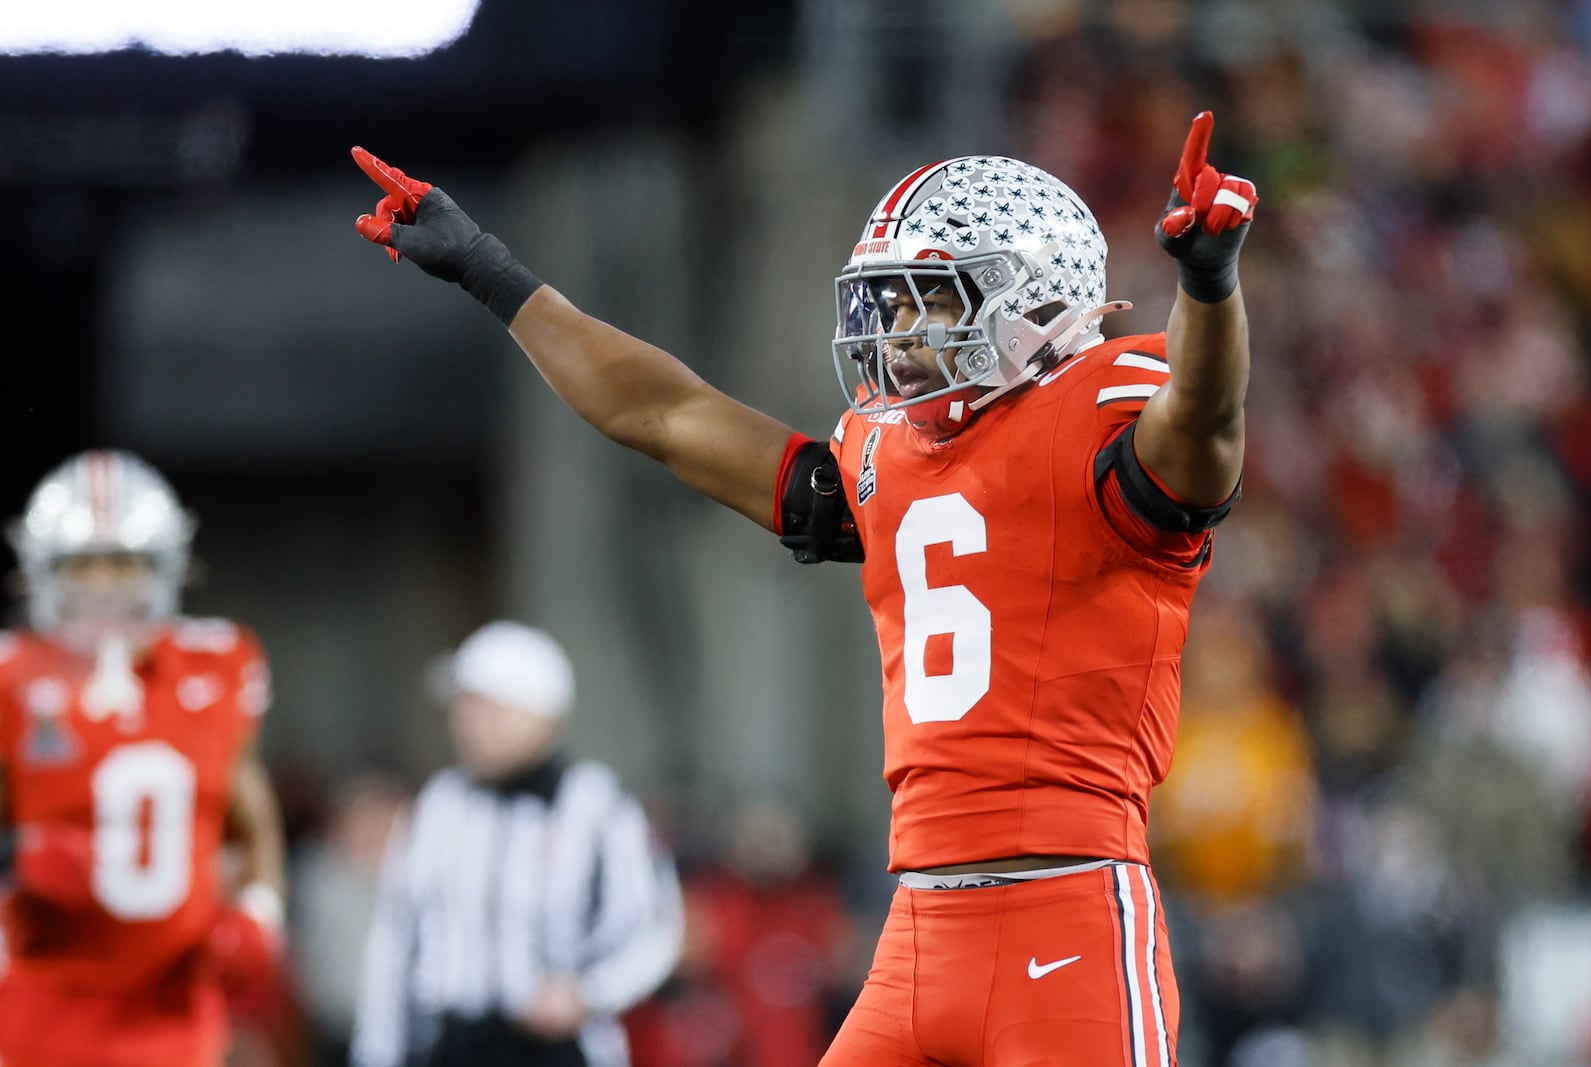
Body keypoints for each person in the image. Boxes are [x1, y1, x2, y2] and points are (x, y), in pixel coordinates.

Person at [350, 111, 1257, 1066]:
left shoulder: (1113, 415)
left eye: (930, 302)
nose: (900, 334)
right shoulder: (884, 453)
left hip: (1068, 914)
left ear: (1029, 301)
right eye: (893, 304)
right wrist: (492, 272)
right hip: (917, 930)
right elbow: (663, 414)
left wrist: (1208, 284)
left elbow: (1203, 418)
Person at [0, 449, 289, 1067]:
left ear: (164, 569)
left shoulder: (218, 664)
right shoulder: (13, 679)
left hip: (173, 1001)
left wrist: (261, 911)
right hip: (45, 991)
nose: (104, 589)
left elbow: (247, 804)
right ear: (45, 574)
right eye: (84, 568)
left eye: (123, 566)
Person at [350, 620, 684, 1067]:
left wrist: (587, 994)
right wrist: (377, 1052)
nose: (469, 725)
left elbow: (657, 928)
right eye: (463, 709)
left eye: (489, 708)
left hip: (555, 1049)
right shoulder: (439, 804)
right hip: (453, 1046)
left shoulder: (596, 804)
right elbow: (396, 936)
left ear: (543, 715)